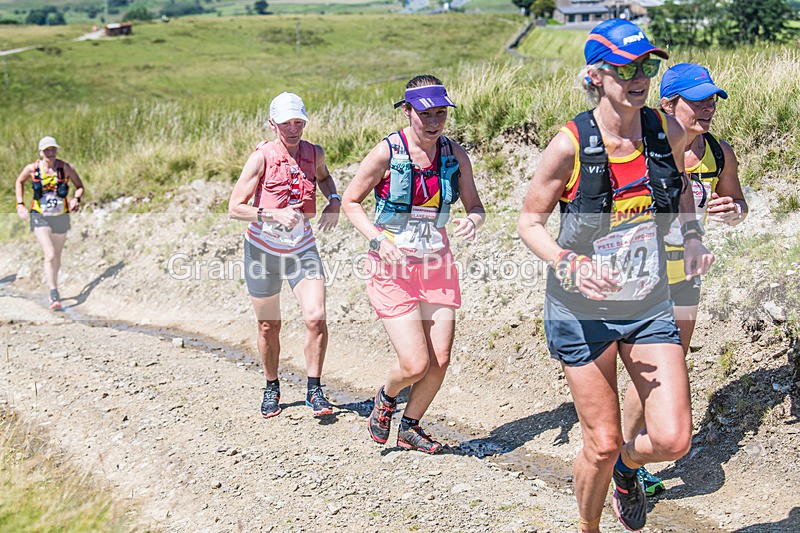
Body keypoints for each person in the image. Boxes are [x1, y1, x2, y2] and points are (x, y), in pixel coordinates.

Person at [516, 20, 714, 532]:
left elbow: (681, 190)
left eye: (646, 65)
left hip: (647, 302)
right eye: (626, 67)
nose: (639, 76)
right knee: (599, 444)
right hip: (581, 311)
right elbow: (529, 222)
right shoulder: (570, 145)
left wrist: (690, 238)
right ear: (596, 75)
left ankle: (630, 468)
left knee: (673, 440)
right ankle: (588, 526)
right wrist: (568, 261)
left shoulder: (664, 130)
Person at [622, 63, 748, 497]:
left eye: (712, 99)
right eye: (697, 100)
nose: (708, 108)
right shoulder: (642, 149)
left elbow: (737, 203)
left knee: (668, 367)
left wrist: (732, 212)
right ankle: (620, 458)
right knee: (650, 371)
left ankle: (630, 456)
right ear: (667, 105)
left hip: (686, 276)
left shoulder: (719, 152)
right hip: (640, 273)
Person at [342, 75, 485, 454]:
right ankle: (387, 397)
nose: (435, 122)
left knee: (439, 361)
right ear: (407, 111)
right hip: (393, 269)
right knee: (415, 363)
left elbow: (476, 206)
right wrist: (377, 239)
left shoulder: (455, 154)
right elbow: (350, 202)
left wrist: (473, 220)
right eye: (426, 114)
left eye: (441, 114)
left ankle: (410, 426)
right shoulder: (387, 152)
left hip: (437, 265)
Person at [228, 92, 341, 419]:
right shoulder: (261, 158)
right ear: (272, 123)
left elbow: (324, 177)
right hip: (262, 252)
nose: (293, 129)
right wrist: (271, 214)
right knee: (268, 326)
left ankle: (314, 389)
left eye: (298, 122)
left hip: (301, 249)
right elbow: (235, 208)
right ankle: (271, 385)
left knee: (316, 316)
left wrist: (333, 200)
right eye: (286, 123)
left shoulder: (314, 152)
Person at [14, 136, 85, 310]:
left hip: (60, 215)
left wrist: (76, 199)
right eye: (47, 150)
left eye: (53, 149)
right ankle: (54, 293)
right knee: (50, 254)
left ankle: (53, 282)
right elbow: (19, 182)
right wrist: (20, 204)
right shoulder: (32, 168)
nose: (50, 153)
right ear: (41, 152)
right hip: (40, 215)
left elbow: (80, 186)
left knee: (57, 256)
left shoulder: (66, 168)